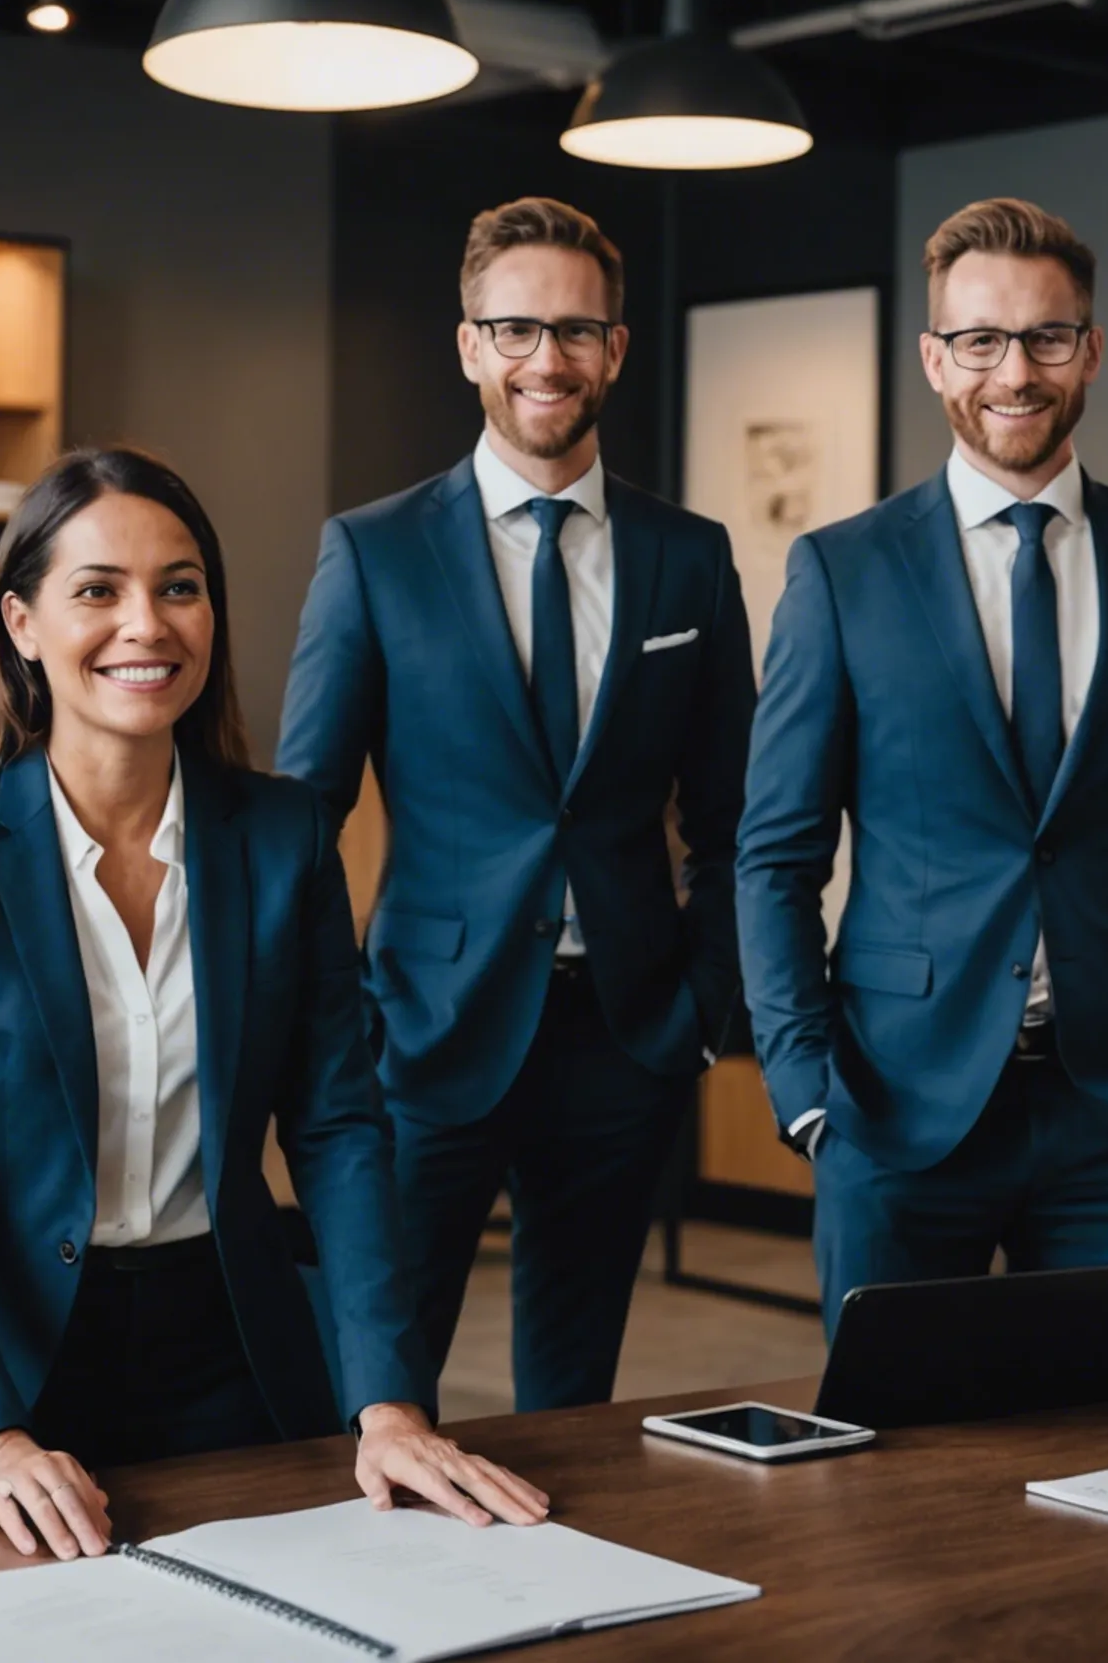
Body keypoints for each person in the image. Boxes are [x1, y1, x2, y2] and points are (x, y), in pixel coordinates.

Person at [0, 446, 548, 1554]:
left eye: (180, 586)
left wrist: (389, 1401)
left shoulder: (285, 834)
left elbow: (340, 1129)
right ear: (21, 623)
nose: (146, 624)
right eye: (98, 590)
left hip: (226, 1353)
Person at [739, 197, 1108, 1332]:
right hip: (893, 1109)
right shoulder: (843, 573)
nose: (1014, 371)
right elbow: (777, 851)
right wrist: (804, 1090)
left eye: (1046, 337)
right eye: (980, 340)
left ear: (1090, 348)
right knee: (891, 1469)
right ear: (936, 360)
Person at [276, 198, 753, 1410]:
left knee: (575, 1382)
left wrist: (708, 1002)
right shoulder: (374, 552)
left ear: (616, 349)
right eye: (518, 328)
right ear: (471, 345)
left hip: (627, 1033)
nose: (549, 358)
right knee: (378, 1370)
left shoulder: (689, 557)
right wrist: (336, 1016)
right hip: (426, 1026)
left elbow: (734, 813)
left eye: (577, 330)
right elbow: (301, 816)